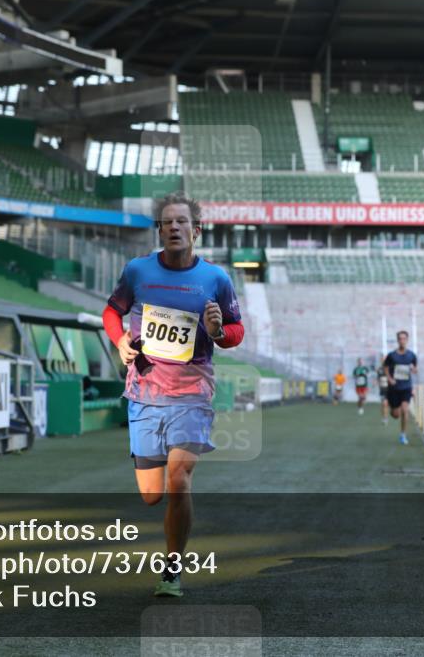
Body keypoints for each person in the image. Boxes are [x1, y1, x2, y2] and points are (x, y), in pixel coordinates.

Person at [102, 192, 244, 598]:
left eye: (182, 221)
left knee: (179, 479)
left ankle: (172, 570)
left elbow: (236, 331)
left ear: (195, 230)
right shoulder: (137, 271)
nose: (175, 227)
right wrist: (120, 340)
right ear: (160, 230)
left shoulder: (215, 279)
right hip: (145, 392)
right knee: (151, 495)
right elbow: (112, 311)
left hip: (192, 393)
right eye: (167, 222)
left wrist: (217, 331)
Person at [383, 331, 418, 445]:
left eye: (404, 338)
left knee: (405, 410)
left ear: (407, 340)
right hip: (394, 388)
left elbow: (415, 368)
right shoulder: (392, 355)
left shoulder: (411, 355)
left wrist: (414, 370)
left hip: (406, 387)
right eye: (400, 339)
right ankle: (392, 411)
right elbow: (386, 368)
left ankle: (403, 434)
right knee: (395, 414)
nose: (402, 341)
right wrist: (389, 378)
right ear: (398, 340)